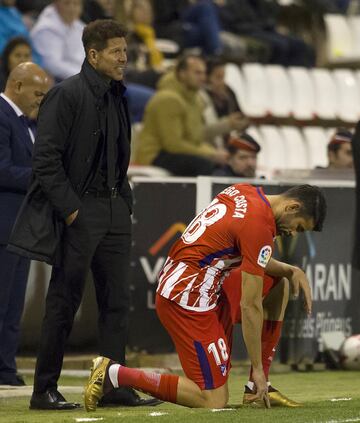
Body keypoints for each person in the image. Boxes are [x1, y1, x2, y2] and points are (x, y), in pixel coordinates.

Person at [8, 19, 158, 410]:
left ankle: (113, 387)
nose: (124, 58)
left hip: (113, 210)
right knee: (63, 301)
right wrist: (72, 209)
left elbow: (119, 156)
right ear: (93, 54)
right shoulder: (65, 95)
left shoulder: (117, 95)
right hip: (81, 210)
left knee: (116, 304)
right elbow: (45, 160)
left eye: (125, 50)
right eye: (116, 51)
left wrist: (123, 200)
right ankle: (44, 390)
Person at [84, 183, 327, 411]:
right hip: (187, 298)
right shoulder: (259, 226)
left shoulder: (244, 192)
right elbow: (250, 305)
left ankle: (255, 389)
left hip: (199, 283)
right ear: (292, 207)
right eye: (299, 226)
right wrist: (257, 368)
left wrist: (290, 269)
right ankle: (112, 373)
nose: (294, 233)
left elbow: (250, 253)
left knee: (280, 285)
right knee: (213, 399)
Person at [0, 62, 50, 386]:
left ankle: (5, 366)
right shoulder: (2, 117)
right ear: (17, 86)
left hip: (17, 228)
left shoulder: (22, 123)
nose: (40, 100)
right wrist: (43, 178)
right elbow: (2, 170)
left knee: (13, 303)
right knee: (2, 301)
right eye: (37, 92)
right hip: (3, 226)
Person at [135, 54, 247, 176]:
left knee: (228, 164)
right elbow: (173, 144)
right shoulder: (168, 99)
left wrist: (214, 152)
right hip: (155, 154)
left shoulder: (194, 99)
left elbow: (196, 138)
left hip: (174, 151)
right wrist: (211, 154)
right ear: (182, 74)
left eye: (204, 73)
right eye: (197, 73)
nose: (203, 78)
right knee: (203, 164)